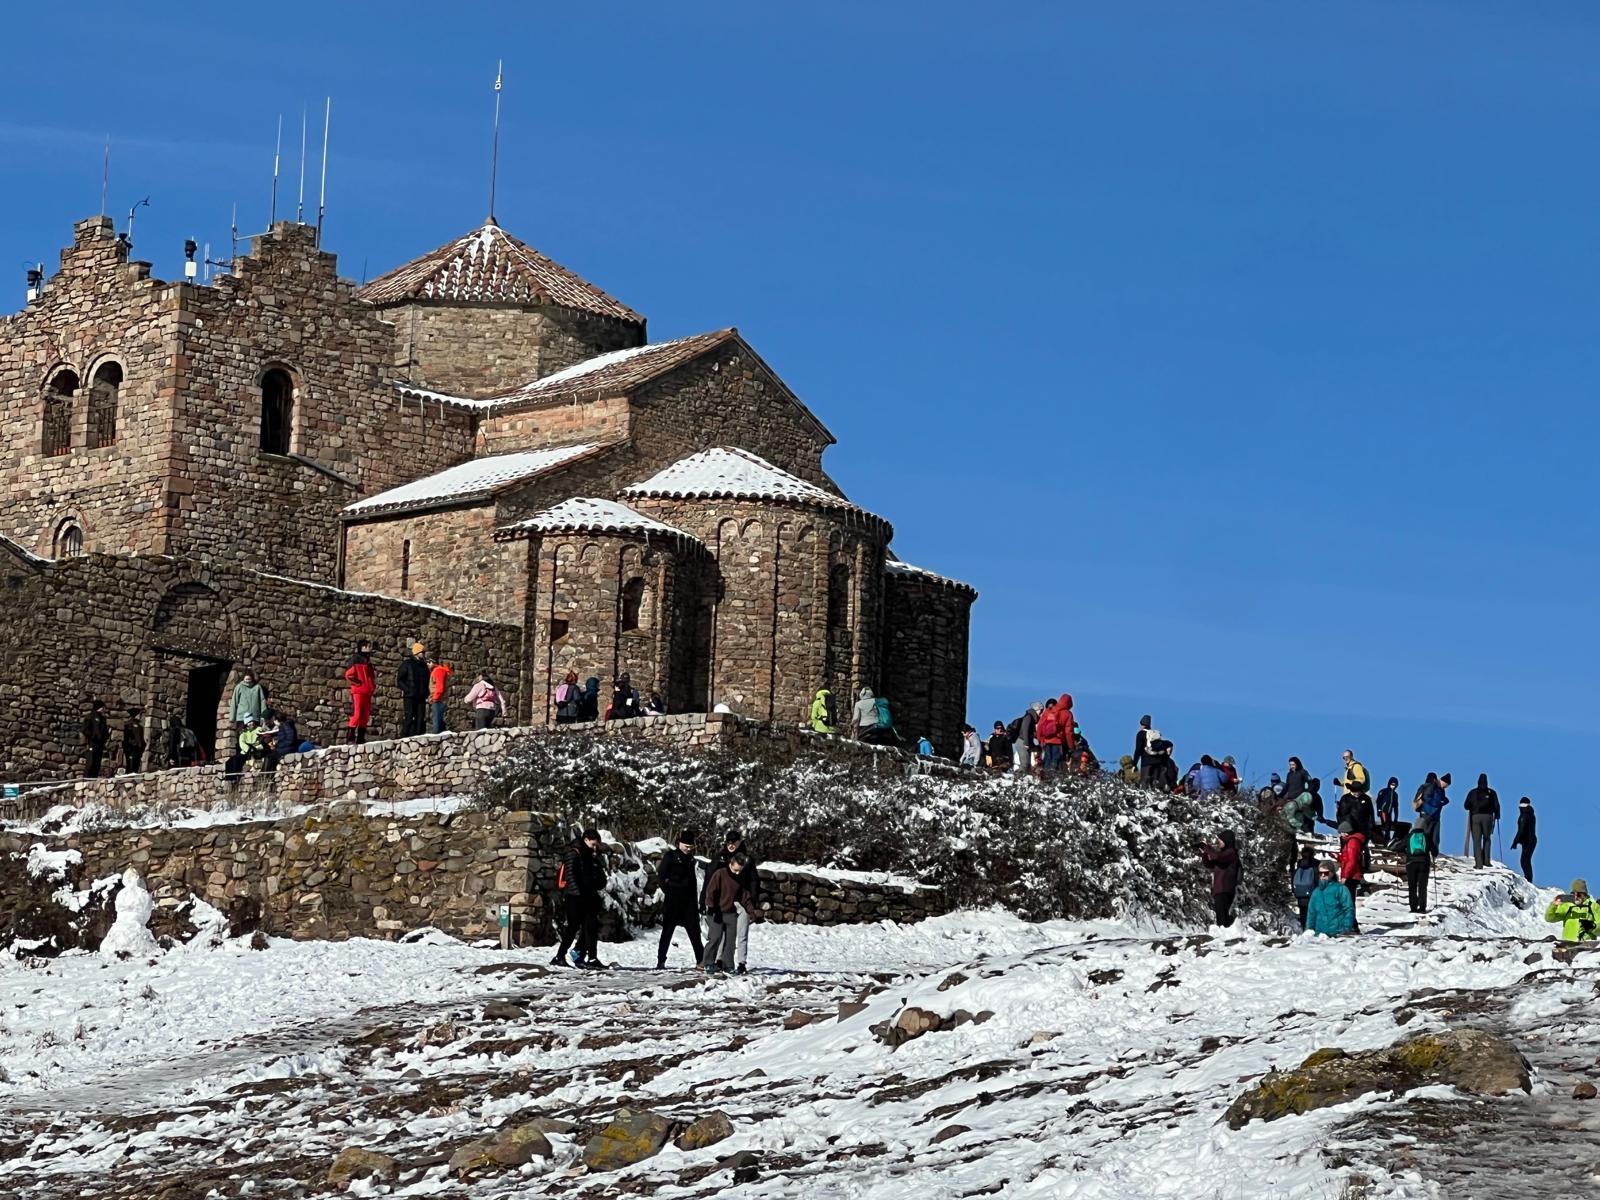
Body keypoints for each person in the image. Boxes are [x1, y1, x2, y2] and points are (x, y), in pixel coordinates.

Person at [702, 829, 761, 973]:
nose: (731, 845)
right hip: (721, 903)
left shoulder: (748, 860)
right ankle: (717, 961)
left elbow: (753, 881)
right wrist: (706, 902)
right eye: (728, 842)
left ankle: (739, 963)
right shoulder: (720, 858)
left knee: (738, 935)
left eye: (734, 842)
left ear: (739, 842)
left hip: (741, 901)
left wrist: (752, 902)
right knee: (718, 936)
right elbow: (710, 882)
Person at [553, 828, 607, 968]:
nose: (595, 847)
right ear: (586, 840)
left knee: (591, 927)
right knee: (573, 927)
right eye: (593, 844)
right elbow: (571, 876)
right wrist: (579, 894)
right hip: (575, 898)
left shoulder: (591, 857)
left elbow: (598, 880)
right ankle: (560, 956)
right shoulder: (574, 854)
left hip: (588, 898)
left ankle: (591, 958)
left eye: (597, 844)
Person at [657, 830, 704, 969]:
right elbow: (661, 877)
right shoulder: (670, 856)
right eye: (685, 846)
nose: (688, 849)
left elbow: (693, 881)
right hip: (673, 899)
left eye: (690, 847)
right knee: (667, 932)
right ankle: (661, 960)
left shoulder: (691, 860)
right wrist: (669, 890)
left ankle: (701, 960)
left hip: (689, 901)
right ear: (679, 844)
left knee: (694, 932)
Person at [1200, 830, 1241, 928]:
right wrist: (1205, 853)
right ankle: (1227, 936)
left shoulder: (1231, 853)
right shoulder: (1223, 855)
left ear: (1227, 841)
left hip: (1225, 889)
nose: (1219, 842)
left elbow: (1217, 857)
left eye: (1221, 840)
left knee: (1222, 917)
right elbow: (1209, 864)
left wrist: (1208, 848)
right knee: (1221, 916)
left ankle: (1227, 938)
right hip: (1220, 890)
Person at [1305, 860, 1356, 935]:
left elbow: (1348, 909)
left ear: (1332, 873)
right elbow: (1311, 913)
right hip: (1319, 935)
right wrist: (1309, 930)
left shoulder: (1341, 889)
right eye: (1320, 873)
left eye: (1326, 873)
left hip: (1338, 934)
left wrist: (1346, 928)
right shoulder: (1316, 892)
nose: (1323, 875)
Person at [1463, 773, 1500, 870]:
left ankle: (1478, 864)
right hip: (1488, 817)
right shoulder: (1492, 792)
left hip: (1475, 817)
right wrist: (1497, 815)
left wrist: (1472, 806)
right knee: (1487, 838)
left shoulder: (1472, 792)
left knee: (1476, 840)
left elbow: (1466, 806)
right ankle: (1487, 861)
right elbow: (1497, 806)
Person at [344, 642, 376, 744]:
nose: (369, 648)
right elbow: (349, 675)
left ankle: (360, 738)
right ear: (361, 648)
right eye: (367, 646)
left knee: (365, 715)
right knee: (357, 713)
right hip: (358, 691)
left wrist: (371, 686)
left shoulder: (368, 660)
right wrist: (358, 683)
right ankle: (350, 736)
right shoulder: (356, 659)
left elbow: (371, 676)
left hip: (366, 691)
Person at [1338, 822, 1366, 932]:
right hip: (1352, 875)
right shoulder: (1352, 841)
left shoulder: (1352, 842)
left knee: (1348, 901)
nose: (1340, 835)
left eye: (1340, 833)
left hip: (1351, 876)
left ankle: (1352, 925)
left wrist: (1345, 875)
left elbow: (1352, 861)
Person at [397, 643, 430, 737]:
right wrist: (407, 690)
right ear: (417, 652)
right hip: (410, 696)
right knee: (409, 717)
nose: (424, 654)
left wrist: (426, 692)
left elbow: (427, 680)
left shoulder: (424, 666)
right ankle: (404, 738)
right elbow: (400, 679)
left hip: (421, 696)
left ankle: (418, 738)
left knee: (420, 718)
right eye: (422, 652)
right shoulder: (407, 664)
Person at [1414, 772, 1449, 857]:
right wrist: (1438, 803)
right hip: (1427, 814)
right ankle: (1424, 854)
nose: (1447, 787)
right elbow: (1426, 798)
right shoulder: (1431, 787)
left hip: (1434, 816)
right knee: (1427, 835)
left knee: (1434, 837)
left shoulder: (1440, 789)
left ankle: (1433, 854)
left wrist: (1444, 801)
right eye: (1447, 784)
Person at [228, 671, 270, 740]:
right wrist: (232, 717)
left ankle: (254, 750)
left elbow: (262, 701)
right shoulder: (239, 687)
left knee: (255, 737)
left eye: (249, 679)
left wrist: (263, 716)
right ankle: (242, 750)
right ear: (243, 679)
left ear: (252, 679)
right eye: (246, 679)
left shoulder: (257, 687)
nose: (247, 681)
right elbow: (234, 702)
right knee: (242, 736)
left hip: (255, 717)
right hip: (242, 717)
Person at [1405, 824, 1431, 913]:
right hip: (1424, 863)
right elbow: (1435, 851)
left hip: (1411, 864)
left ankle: (1413, 907)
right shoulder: (1426, 837)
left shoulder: (1409, 837)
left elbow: (1400, 847)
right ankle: (1422, 907)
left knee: (1412, 886)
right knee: (1422, 886)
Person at [1510, 796, 1537, 883]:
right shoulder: (1531, 814)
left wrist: (1515, 841)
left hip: (1528, 841)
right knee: (1526, 860)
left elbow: (1521, 830)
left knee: (1524, 860)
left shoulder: (1524, 816)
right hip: (1531, 840)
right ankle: (1528, 878)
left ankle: (1528, 879)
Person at [81, 699, 109, 778]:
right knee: (90, 763)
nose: (104, 709)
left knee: (97, 763)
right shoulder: (90, 717)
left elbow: (105, 731)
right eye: (102, 707)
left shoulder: (103, 719)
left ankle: (93, 780)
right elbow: (85, 729)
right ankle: (86, 780)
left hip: (100, 745)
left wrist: (105, 738)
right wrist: (93, 736)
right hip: (92, 743)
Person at [1291, 846, 1318, 929]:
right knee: (1313, 910)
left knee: (1303, 911)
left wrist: (1294, 889)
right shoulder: (1316, 863)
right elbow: (1317, 878)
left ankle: (1304, 927)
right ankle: (1312, 927)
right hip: (1312, 891)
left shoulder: (1300, 863)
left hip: (1300, 892)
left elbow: (1294, 876)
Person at [1011, 702, 1041, 774]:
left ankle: (1023, 779)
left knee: (1027, 765)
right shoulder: (1028, 717)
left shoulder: (1031, 718)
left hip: (1024, 742)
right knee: (1025, 764)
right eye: (1041, 710)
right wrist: (1026, 743)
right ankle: (1017, 778)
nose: (1041, 712)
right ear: (1036, 709)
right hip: (1022, 742)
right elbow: (1025, 729)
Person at [1035, 698, 1063, 769]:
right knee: (1056, 758)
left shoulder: (1045, 714)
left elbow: (1039, 728)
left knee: (1047, 758)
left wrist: (1040, 740)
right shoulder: (1059, 713)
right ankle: (1054, 773)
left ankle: (1046, 774)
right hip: (1057, 740)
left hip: (1046, 740)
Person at [428, 657, 453, 734]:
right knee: (440, 723)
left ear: (433, 662)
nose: (427, 664)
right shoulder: (439, 670)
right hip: (439, 699)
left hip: (438, 700)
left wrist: (435, 698)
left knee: (437, 725)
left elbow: (440, 687)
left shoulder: (438, 671)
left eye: (429, 662)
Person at [120, 707, 145, 775]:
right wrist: (130, 747)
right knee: (130, 768)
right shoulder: (128, 725)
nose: (140, 716)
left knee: (135, 768)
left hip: (138, 751)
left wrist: (142, 746)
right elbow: (126, 739)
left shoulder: (140, 727)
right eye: (139, 714)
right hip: (131, 750)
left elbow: (141, 739)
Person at [1375, 777, 1400, 841]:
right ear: (1389, 783)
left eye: (1395, 785)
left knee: (1388, 825)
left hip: (1389, 812)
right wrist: (1378, 810)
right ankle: (1385, 839)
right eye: (1392, 784)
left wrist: (1396, 818)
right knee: (1386, 824)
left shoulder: (1395, 795)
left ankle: (1387, 839)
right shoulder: (1383, 791)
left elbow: (1396, 807)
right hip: (1383, 811)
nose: (1393, 786)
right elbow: (1378, 801)